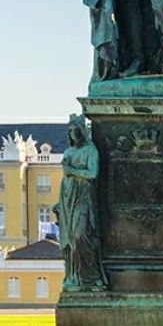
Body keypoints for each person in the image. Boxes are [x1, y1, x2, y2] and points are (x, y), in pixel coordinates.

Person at [54, 114, 107, 291]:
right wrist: (59, 203)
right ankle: (75, 276)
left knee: (79, 235)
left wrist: (72, 170)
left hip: (84, 197)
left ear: (82, 131)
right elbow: (65, 179)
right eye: (70, 131)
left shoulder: (91, 150)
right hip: (68, 199)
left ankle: (90, 276)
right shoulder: (68, 152)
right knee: (69, 240)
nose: (73, 134)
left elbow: (92, 174)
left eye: (76, 130)